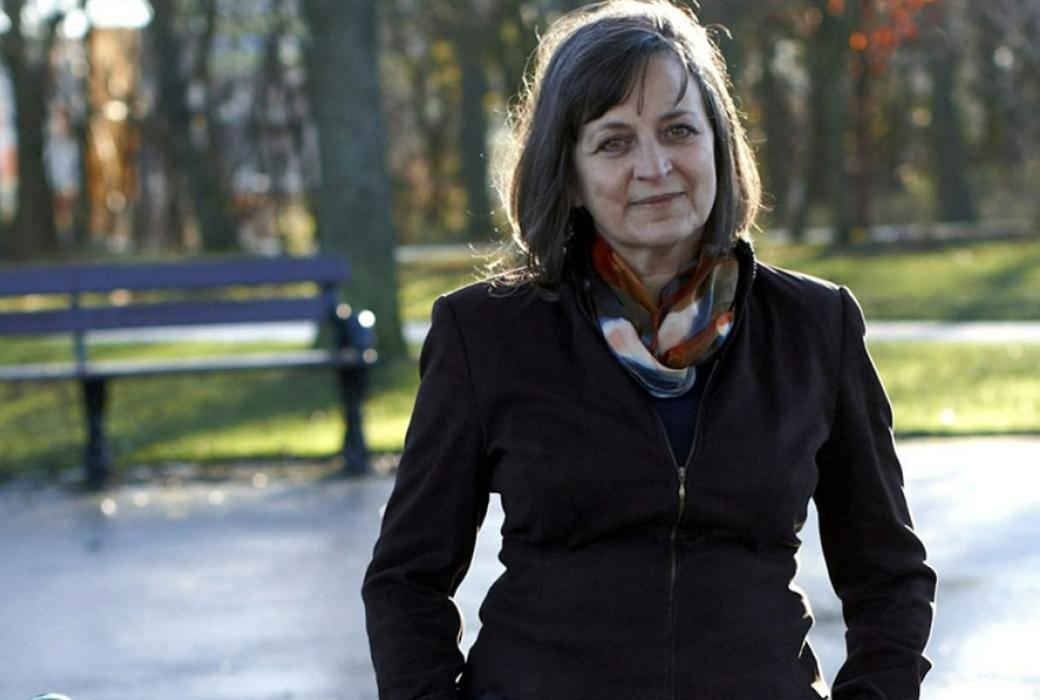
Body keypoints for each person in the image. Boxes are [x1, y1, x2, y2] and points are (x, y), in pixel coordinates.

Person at [362, 1, 937, 698]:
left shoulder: (817, 327)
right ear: (569, 173)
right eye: (614, 141)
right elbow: (405, 582)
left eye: (678, 130)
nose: (655, 165)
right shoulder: (485, 335)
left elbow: (890, 575)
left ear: (718, 145)